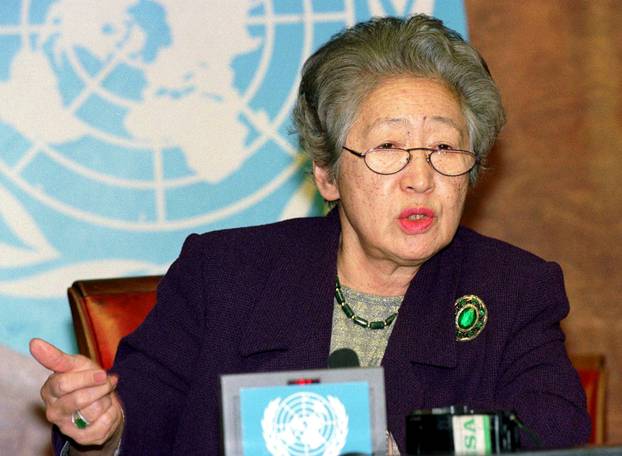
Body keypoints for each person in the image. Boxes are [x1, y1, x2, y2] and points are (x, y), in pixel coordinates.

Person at [30, 14, 590, 455]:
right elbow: (132, 429)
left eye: (444, 149)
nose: (421, 178)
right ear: (327, 173)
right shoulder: (222, 274)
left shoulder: (513, 291)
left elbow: (553, 442)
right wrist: (101, 428)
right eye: (389, 148)